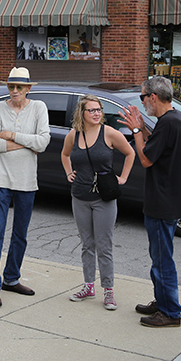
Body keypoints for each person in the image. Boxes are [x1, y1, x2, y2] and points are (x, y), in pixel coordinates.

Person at [118, 75, 181, 328]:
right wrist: (142, 127)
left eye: (142, 97)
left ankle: (171, 312)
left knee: (162, 260)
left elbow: (147, 159)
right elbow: (157, 145)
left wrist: (137, 131)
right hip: (167, 201)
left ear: (153, 97)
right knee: (159, 256)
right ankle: (162, 301)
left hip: (163, 203)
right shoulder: (173, 119)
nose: (143, 103)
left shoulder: (170, 122)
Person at [0, 67, 51, 308]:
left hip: (26, 183)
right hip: (0, 181)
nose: (14, 91)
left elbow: (43, 142)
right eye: (11, 86)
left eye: (19, 87)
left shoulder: (38, 108)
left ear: (28, 88)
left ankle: (11, 278)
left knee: (20, 235)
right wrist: (26, 143)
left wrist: (12, 135)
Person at [61, 95, 135, 309]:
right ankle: (88, 286)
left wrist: (123, 177)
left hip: (104, 198)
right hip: (80, 196)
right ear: (81, 113)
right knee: (87, 244)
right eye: (91, 110)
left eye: (99, 110)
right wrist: (68, 173)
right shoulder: (73, 135)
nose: (96, 113)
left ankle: (109, 291)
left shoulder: (110, 133)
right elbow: (65, 155)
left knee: (104, 245)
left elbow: (130, 153)